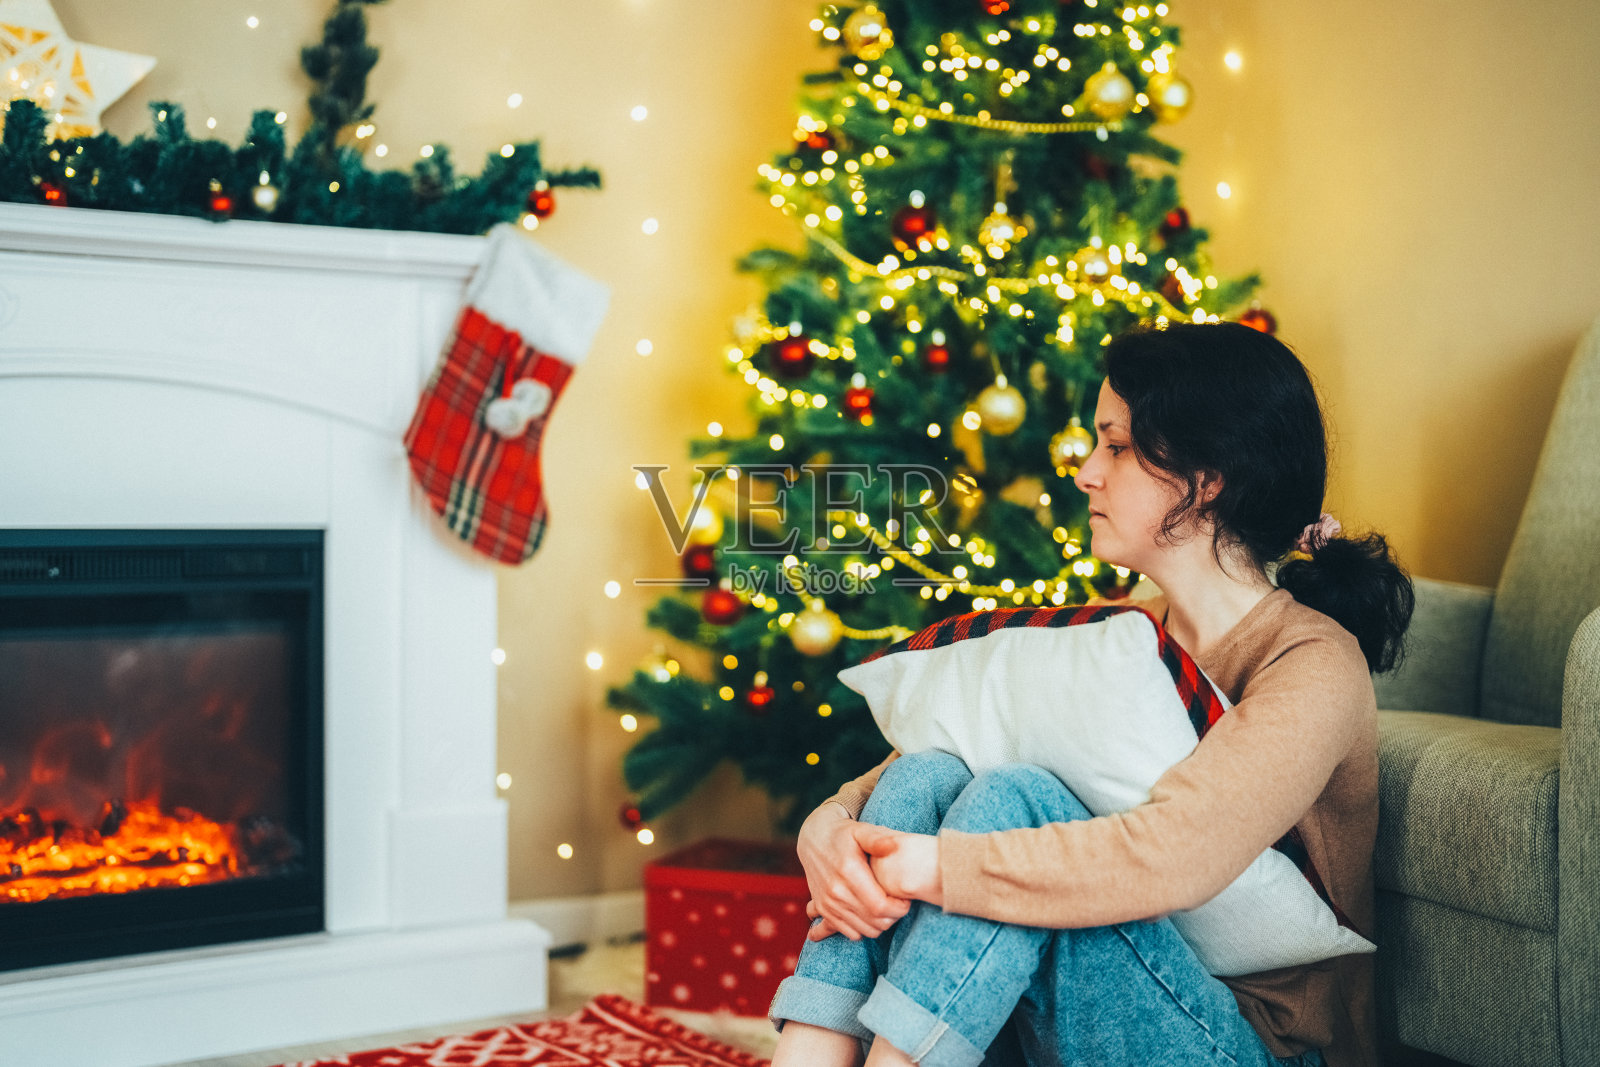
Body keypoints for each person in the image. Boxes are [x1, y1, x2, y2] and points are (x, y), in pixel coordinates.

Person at [768, 321, 1415, 1067]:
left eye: (1116, 445)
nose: (1086, 472)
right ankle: (809, 1055)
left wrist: (933, 867)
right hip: (1083, 1009)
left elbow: (1178, 854)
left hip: (1253, 1046)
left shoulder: (1313, 660)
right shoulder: (1130, 631)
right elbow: (961, 739)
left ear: (1205, 480)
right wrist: (832, 824)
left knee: (1013, 800)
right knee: (925, 775)